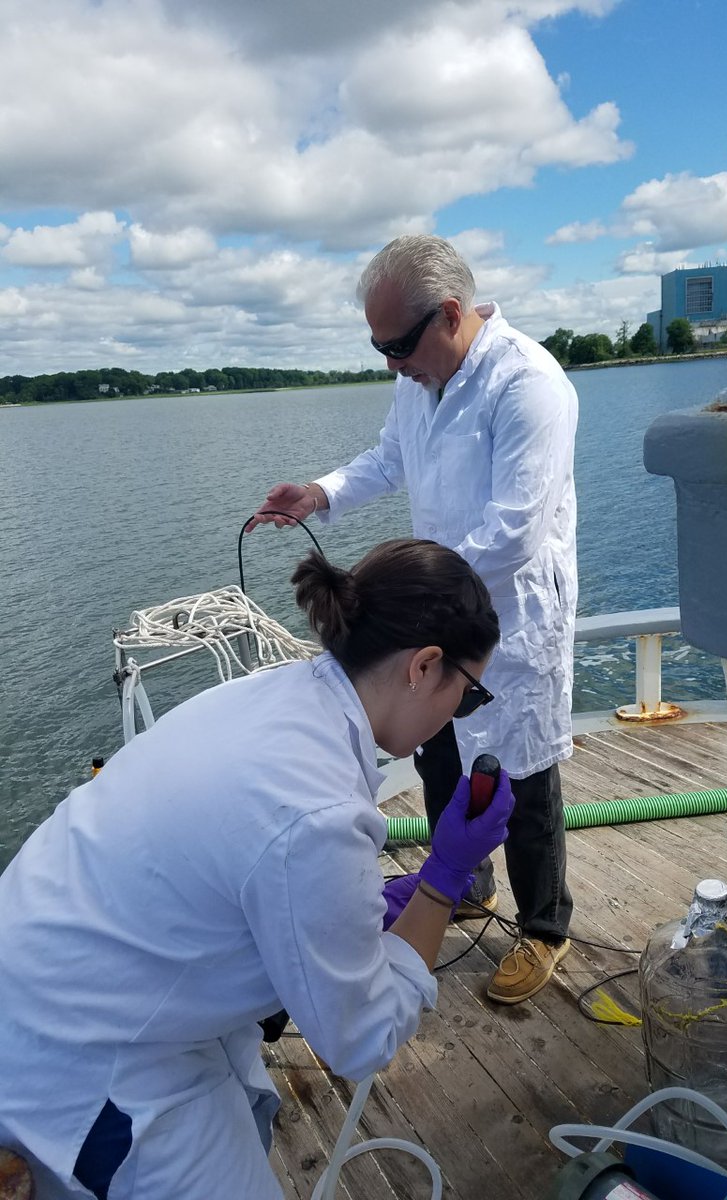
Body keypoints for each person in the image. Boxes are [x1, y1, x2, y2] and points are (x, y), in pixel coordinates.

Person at [0, 538, 513, 1200]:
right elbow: (362, 1038)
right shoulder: (319, 811)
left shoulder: (268, 696)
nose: (459, 716)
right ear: (425, 665)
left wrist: (358, 914)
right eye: (469, 696)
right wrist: (445, 877)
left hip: (56, 978)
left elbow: (234, 868)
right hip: (85, 1061)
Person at [248, 234, 579, 1005]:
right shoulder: (420, 381)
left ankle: (545, 926)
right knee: (439, 760)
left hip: (511, 619)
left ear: (452, 315)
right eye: (379, 347)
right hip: (440, 609)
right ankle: (464, 883)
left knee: (519, 779)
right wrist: (320, 493)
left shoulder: (529, 386)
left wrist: (399, 593)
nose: (390, 362)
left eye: (397, 344)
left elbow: (515, 530)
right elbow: (389, 458)